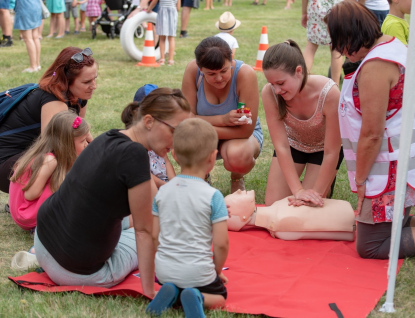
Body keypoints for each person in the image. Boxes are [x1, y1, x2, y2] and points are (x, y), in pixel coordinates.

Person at [34, 88, 190, 298]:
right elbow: (145, 231)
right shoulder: (135, 156)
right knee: (161, 231)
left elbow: (149, 202)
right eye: (175, 131)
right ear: (150, 121)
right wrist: (148, 290)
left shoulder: (110, 136)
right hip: (75, 271)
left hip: (44, 241)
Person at [325, 0, 415, 259]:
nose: (341, 50)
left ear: (353, 34)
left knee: (370, 246)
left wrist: (361, 179)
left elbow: (372, 133)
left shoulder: (376, 65)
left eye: (341, 42)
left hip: (388, 167)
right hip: (395, 161)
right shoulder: (390, 44)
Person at [146, 118, 228, 318]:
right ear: (213, 157)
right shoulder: (213, 196)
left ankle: (173, 292)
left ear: (174, 155)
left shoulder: (162, 192)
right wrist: (216, 271)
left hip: (165, 271)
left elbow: (154, 236)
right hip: (198, 272)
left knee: (176, 281)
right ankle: (198, 297)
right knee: (220, 298)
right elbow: (221, 244)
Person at [0, 47, 97, 194]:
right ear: (67, 81)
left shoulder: (79, 96)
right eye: (87, 81)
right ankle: (24, 200)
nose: (94, 86)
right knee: (59, 159)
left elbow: (81, 135)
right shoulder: (53, 99)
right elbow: (59, 148)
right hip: (7, 164)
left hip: (27, 158)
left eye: (95, 78)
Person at [261, 40, 342, 207]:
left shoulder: (330, 93)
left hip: (323, 151)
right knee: (274, 205)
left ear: (299, 71)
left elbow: (332, 151)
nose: (277, 90)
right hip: (292, 146)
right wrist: (297, 190)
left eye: (281, 83)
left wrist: (316, 193)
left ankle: (326, 185)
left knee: (306, 207)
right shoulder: (269, 93)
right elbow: (281, 146)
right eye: (272, 84)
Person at [182, 36, 263, 193]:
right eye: (211, 74)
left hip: (241, 137)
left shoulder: (245, 74)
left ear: (231, 60)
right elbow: (185, 120)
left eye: (224, 71)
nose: (219, 78)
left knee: (238, 155)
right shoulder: (192, 71)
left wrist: (199, 124)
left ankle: (237, 177)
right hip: (206, 135)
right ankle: (201, 178)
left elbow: (245, 130)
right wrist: (223, 119)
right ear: (200, 68)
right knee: (186, 141)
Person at [9, 111, 89, 232]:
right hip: (26, 214)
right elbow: (30, 195)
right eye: (82, 141)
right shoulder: (50, 161)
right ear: (67, 143)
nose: (86, 144)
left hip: (25, 212)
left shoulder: (47, 155)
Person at [225, 189, 355, 241]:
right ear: (242, 217)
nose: (238, 190)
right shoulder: (279, 223)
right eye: (235, 196)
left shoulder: (277, 208)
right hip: (347, 221)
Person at [124, 83, 176, 199]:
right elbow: (145, 174)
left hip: (164, 183)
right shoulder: (136, 143)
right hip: (147, 186)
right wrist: (163, 185)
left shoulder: (158, 141)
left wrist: (173, 184)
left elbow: (166, 162)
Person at [301, 0, 343, 85]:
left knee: (311, 46)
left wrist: (304, 12)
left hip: (316, 7)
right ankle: (336, 85)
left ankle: (302, 82)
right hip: (337, 7)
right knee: (336, 49)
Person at [147, 0, 180, 66]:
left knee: (162, 38)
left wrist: (148, 9)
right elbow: (178, 7)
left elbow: (154, 2)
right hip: (173, 12)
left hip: (162, 12)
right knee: (171, 38)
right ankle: (171, 60)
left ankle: (162, 59)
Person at [13, 0, 42, 72]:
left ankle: (33, 66)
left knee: (28, 38)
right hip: (36, 6)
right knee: (35, 37)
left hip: (26, 7)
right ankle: (37, 65)